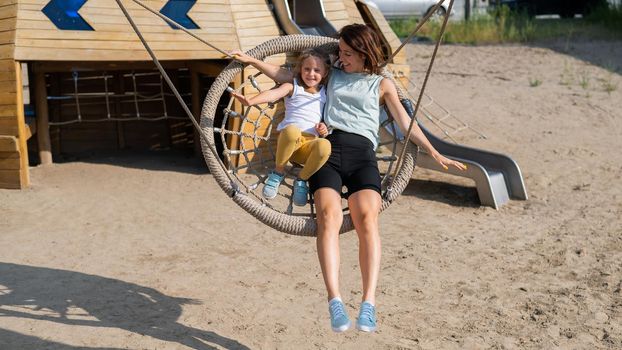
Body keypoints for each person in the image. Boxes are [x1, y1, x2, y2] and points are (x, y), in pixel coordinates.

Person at [230, 24, 465, 333]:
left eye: (347, 53)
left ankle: (369, 302)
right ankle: (335, 300)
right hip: (326, 151)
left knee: (367, 217)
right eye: (339, 52)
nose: (340, 58)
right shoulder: (333, 74)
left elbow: (406, 124)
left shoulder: (383, 84)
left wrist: (434, 152)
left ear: (365, 53)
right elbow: (288, 77)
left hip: (362, 155)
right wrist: (251, 60)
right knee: (329, 217)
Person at [231, 49, 331, 206]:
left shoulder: (325, 93)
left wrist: (324, 129)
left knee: (325, 145)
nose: (311, 74)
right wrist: (251, 100)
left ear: (325, 73)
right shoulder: (293, 86)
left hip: (307, 147)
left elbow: (327, 118)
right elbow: (274, 94)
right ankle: (278, 172)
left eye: (317, 70)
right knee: (292, 131)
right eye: (307, 69)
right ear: (300, 69)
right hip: (290, 142)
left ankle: (302, 179)